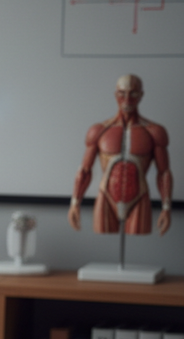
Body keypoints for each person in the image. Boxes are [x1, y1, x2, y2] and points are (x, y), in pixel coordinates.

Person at [70, 74, 172, 236]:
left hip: (139, 197)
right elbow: (84, 170)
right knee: (105, 239)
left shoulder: (154, 132)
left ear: (141, 95)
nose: (127, 99)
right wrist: (75, 203)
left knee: (137, 239)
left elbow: (164, 172)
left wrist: (166, 208)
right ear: (115, 94)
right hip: (106, 197)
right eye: (122, 93)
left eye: (133, 93)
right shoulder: (99, 131)